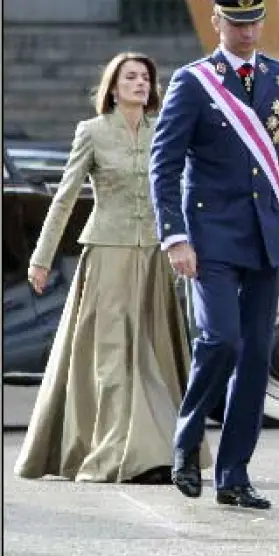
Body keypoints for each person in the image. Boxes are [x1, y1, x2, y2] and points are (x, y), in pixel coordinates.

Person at [149, 0, 279, 509]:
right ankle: (187, 440)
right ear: (217, 23)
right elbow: (164, 165)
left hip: (267, 234)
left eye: (253, 22)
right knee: (222, 339)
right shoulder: (194, 82)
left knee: (254, 356)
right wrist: (175, 237)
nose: (247, 31)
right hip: (210, 236)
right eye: (236, 22)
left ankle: (234, 474)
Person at [13, 53, 209, 485]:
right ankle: (120, 455)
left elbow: (181, 191)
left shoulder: (165, 130)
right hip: (107, 255)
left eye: (146, 77)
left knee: (153, 357)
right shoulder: (92, 131)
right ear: (113, 87)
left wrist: (192, 244)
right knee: (115, 359)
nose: (140, 83)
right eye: (130, 77)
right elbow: (64, 198)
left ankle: (162, 453)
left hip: (155, 257)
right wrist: (41, 258)